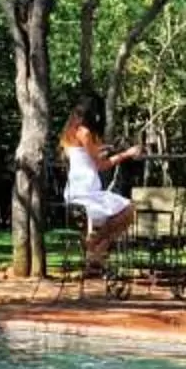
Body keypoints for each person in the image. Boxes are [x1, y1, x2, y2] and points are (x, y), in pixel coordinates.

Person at [60, 102, 142, 272]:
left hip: (75, 191)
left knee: (121, 211)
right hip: (87, 193)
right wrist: (127, 154)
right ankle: (97, 246)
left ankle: (95, 251)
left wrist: (106, 149)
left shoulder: (68, 133)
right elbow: (101, 166)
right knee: (129, 209)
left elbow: (84, 156)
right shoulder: (84, 132)